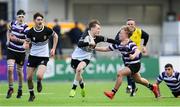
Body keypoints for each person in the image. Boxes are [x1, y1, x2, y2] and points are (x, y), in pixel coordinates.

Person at [95, 25, 158, 99]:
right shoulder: (118, 44)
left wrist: (133, 56)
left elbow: (137, 50)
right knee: (138, 80)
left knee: (120, 74)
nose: (119, 34)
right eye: (119, 33)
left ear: (126, 35)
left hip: (135, 64)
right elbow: (106, 49)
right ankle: (153, 87)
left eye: (121, 33)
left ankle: (112, 93)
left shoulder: (130, 43)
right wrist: (93, 48)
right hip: (129, 65)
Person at [69, 19, 118, 98]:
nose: (99, 30)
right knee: (78, 75)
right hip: (76, 57)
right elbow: (79, 44)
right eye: (98, 28)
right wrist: (89, 43)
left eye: (99, 28)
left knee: (78, 70)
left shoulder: (98, 38)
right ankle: (82, 87)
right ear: (92, 28)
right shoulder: (85, 35)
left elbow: (109, 40)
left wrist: (120, 42)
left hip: (86, 57)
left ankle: (73, 88)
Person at [23, 12, 58, 102]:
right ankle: (32, 95)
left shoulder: (47, 30)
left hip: (43, 56)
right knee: (29, 78)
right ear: (34, 21)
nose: (40, 21)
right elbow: (26, 42)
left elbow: (56, 36)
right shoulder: (30, 32)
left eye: (41, 20)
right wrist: (25, 45)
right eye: (38, 20)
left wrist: (53, 48)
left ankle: (39, 82)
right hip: (33, 56)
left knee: (39, 75)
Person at [115, 18, 149, 96]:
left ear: (134, 25)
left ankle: (130, 86)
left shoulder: (139, 31)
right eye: (128, 24)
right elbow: (116, 40)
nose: (130, 25)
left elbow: (147, 36)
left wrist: (144, 46)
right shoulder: (123, 32)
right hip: (126, 55)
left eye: (131, 24)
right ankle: (134, 87)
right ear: (126, 25)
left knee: (130, 70)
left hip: (136, 54)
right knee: (133, 74)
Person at [6, 9, 28, 99]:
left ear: (24, 17)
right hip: (11, 50)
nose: (21, 18)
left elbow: (27, 41)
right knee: (10, 69)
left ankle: (20, 89)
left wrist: (18, 40)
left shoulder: (26, 27)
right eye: (19, 17)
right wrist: (8, 40)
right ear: (17, 17)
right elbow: (8, 32)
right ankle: (11, 88)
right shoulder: (12, 24)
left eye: (22, 17)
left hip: (21, 52)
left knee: (19, 72)